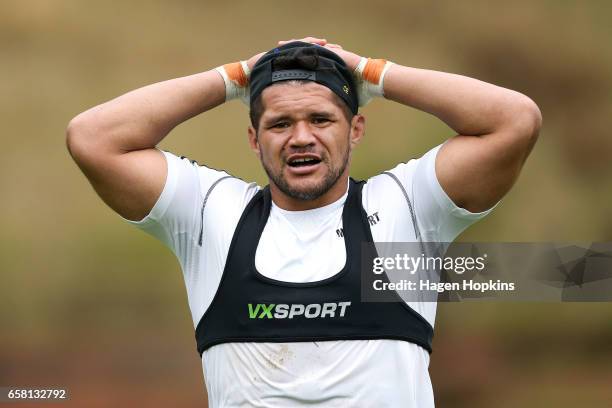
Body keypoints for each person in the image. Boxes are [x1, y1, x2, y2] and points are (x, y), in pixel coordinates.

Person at [66, 37, 541, 407]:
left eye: (321, 119)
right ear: (254, 138)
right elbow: (92, 137)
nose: (301, 138)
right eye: (279, 124)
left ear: (355, 129)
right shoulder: (213, 215)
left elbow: (515, 120)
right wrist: (235, 77)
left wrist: (371, 73)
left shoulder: (404, 207)